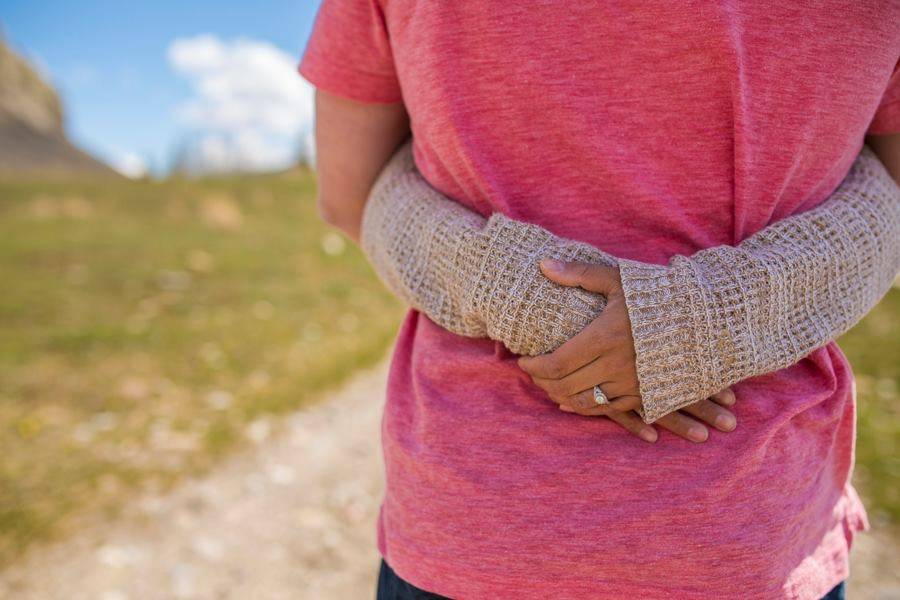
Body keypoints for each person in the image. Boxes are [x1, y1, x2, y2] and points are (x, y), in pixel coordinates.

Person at [299, 2, 900, 598]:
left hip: (477, 519)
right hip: (755, 527)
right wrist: (708, 316)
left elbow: (351, 193)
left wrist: (680, 321)